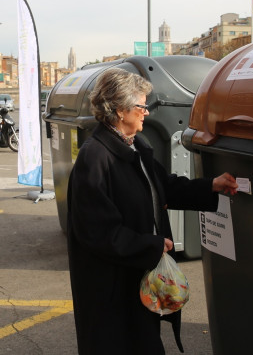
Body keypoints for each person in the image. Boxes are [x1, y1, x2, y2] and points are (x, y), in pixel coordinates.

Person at [67, 67, 238, 354]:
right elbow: (98, 232)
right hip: (110, 287)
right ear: (120, 110)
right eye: (141, 106)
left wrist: (211, 186)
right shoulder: (94, 158)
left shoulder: (136, 145)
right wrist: (152, 244)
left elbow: (164, 187)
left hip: (137, 274)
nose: (146, 112)